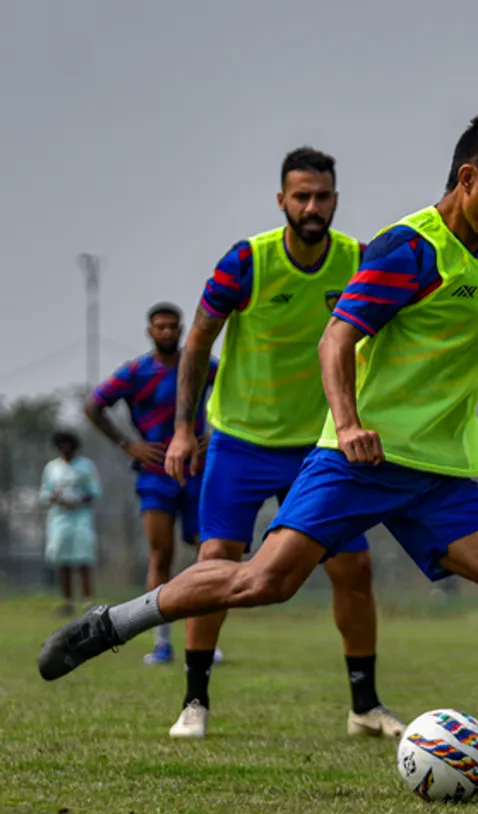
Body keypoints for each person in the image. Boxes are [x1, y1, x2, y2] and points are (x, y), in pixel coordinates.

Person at [38, 115, 478, 798]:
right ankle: (111, 624)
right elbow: (337, 339)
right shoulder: (409, 249)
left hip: (437, 474)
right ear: (469, 177)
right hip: (359, 462)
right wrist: (351, 423)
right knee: (259, 582)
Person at [127, 147, 402, 740]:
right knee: (216, 562)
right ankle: (194, 701)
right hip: (241, 442)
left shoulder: (358, 260)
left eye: (322, 196)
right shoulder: (247, 260)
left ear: (335, 200)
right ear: (281, 201)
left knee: (354, 568)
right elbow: (198, 342)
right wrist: (182, 430)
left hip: (320, 449)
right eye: (300, 196)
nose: (312, 207)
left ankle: (364, 705)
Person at [84, 302, 219, 665]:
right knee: (161, 554)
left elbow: (236, 389)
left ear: (181, 328)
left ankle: (204, 638)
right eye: (159, 327)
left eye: (173, 326)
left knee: (207, 553)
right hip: (156, 475)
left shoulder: (200, 365)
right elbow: (93, 405)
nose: (167, 332)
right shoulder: (135, 373)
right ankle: (161, 641)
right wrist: (128, 444)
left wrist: (217, 433)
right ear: (150, 331)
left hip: (195, 470)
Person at [39, 430, 101, 614]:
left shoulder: (86, 466)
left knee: (84, 558)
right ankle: (67, 602)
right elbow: (44, 494)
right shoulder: (52, 468)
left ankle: (88, 601)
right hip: (59, 519)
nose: (64, 449)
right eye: (61, 446)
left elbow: (95, 491)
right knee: (62, 560)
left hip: (81, 517)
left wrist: (78, 501)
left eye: (68, 446)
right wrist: (55, 498)